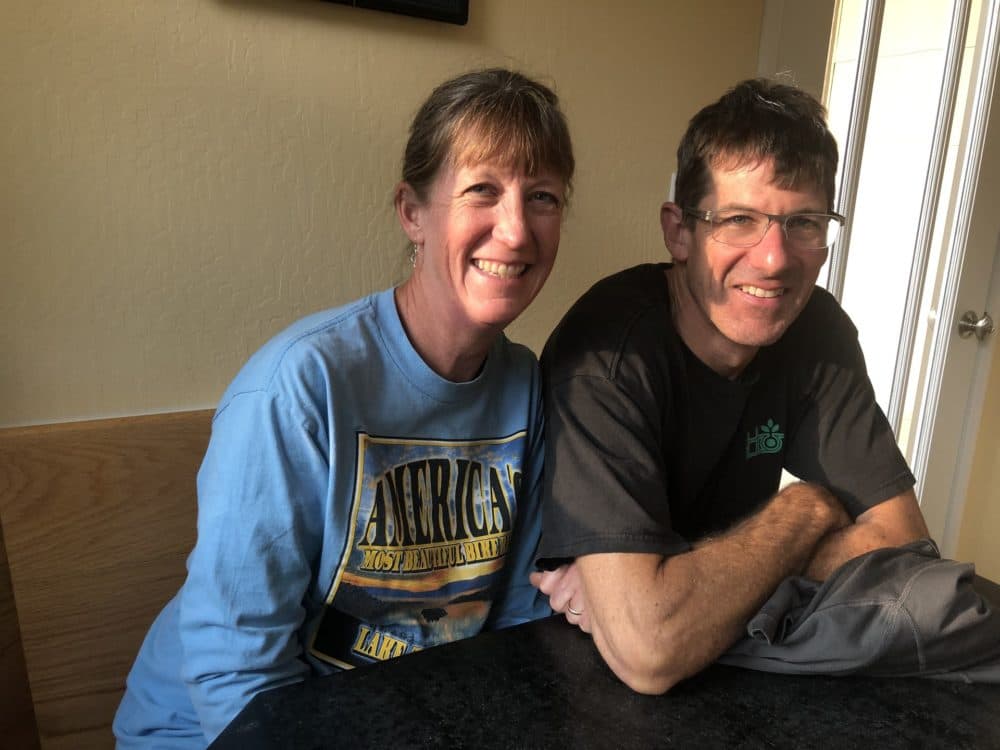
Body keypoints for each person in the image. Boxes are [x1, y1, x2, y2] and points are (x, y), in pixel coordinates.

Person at [114, 67, 574, 747]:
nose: (515, 230)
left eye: (543, 197)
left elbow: (510, 622)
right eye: (482, 190)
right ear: (412, 213)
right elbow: (237, 666)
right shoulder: (301, 386)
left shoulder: (526, 387)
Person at [530, 78, 930, 695]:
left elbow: (903, 543)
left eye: (803, 222)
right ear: (679, 231)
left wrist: (681, 582)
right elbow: (649, 651)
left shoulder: (817, 330)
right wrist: (811, 508)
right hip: (562, 666)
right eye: (739, 219)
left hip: (729, 661)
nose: (774, 259)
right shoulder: (609, 350)